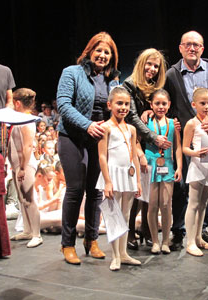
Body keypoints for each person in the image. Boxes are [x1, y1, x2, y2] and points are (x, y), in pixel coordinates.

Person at [164, 30, 208, 250]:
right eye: (188, 44)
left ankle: (201, 231)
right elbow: (165, 102)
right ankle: (179, 231)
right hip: (185, 138)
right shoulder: (171, 74)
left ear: (202, 49)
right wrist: (170, 121)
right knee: (182, 187)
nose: (192, 48)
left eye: (197, 45)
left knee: (207, 189)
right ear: (181, 48)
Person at [57, 32, 120, 265]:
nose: (103, 55)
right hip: (72, 137)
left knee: (96, 191)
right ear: (90, 51)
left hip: (98, 140)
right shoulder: (71, 73)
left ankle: (91, 240)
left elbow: (117, 109)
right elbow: (63, 104)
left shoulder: (113, 81)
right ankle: (68, 244)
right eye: (99, 50)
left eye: (107, 52)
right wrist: (87, 125)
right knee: (75, 190)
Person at [122, 48, 170, 250]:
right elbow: (132, 116)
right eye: (149, 64)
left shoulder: (153, 88)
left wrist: (150, 110)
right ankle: (131, 231)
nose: (152, 69)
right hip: (132, 142)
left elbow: (153, 110)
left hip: (149, 145)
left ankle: (147, 230)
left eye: (156, 66)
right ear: (141, 64)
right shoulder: (128, 84)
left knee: (148, 190)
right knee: (135, 190)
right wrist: (153, 136)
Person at [95, 86, 142, 271]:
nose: (123, 107)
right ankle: (114, 255)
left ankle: (123, 253)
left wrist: (138, 180)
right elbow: (102, 156)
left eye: (126, 104)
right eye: (119, 103)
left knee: (126, 215)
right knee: (113, 216)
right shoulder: (105, 127)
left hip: (128, 174)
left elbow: (134, 156)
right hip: (113, 174)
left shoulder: (131, 128)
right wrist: (107, 180)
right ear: (109, 105)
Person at [182, 88, 208, 256]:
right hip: (198, 165)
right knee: (193, 203)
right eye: (202, 103)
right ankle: (190, 241)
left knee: (204, 204)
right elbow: (184, 147)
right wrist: (195, 153)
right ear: (194, 104)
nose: (206, 106)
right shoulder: (192, 123)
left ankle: (199, 238)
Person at [143, 89, 182, 254]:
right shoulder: (146, 122)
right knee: (152, 205)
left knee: (166, 205)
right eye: (157, 103)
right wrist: (141, 158)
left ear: (169, 105)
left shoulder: (173, 124)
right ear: (151, 105)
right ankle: (155, 241)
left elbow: (178, 147)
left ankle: (166, 241)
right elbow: (138, 142)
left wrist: (179, 166)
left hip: (167, 166)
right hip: (150, 166)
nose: (161, 107)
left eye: (164, 103)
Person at [8, 88, 43, 248]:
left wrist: (22, 167)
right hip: (17, 164)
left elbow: (28, 146)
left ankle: (36, 234)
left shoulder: (26, 120)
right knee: (22, 200)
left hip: (25, 164)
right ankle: (28, 230)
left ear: (17, 103)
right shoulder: (19, 119)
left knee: (29, 200)